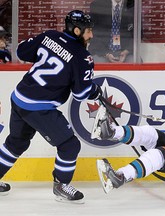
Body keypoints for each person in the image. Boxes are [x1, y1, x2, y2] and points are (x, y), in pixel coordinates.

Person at [0, 10, 102, 203]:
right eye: (89, 31)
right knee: (70, 145)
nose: (92, 35)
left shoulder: (49, 36)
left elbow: (22, 51)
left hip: (19, 97)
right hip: (38, 107)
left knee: (16, 142)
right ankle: (61, 185)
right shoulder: (82, 57)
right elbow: (80, 94)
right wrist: (94, 90)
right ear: (78, 31)